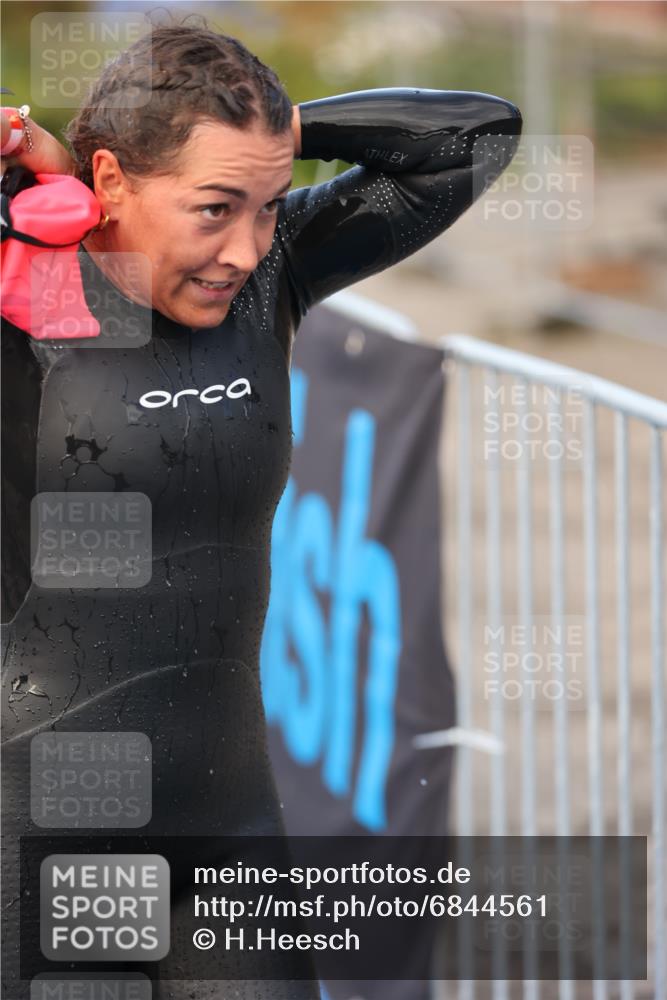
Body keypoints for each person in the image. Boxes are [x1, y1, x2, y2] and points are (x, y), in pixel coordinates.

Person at [1, 22, 522, 1000]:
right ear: (107, 181)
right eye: (212, 208)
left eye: (268, 205)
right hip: (33, 817)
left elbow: (475, 136)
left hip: (225, 820)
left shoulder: (268, 281)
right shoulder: (20, 304)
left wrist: (259, 139)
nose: (242, 248)